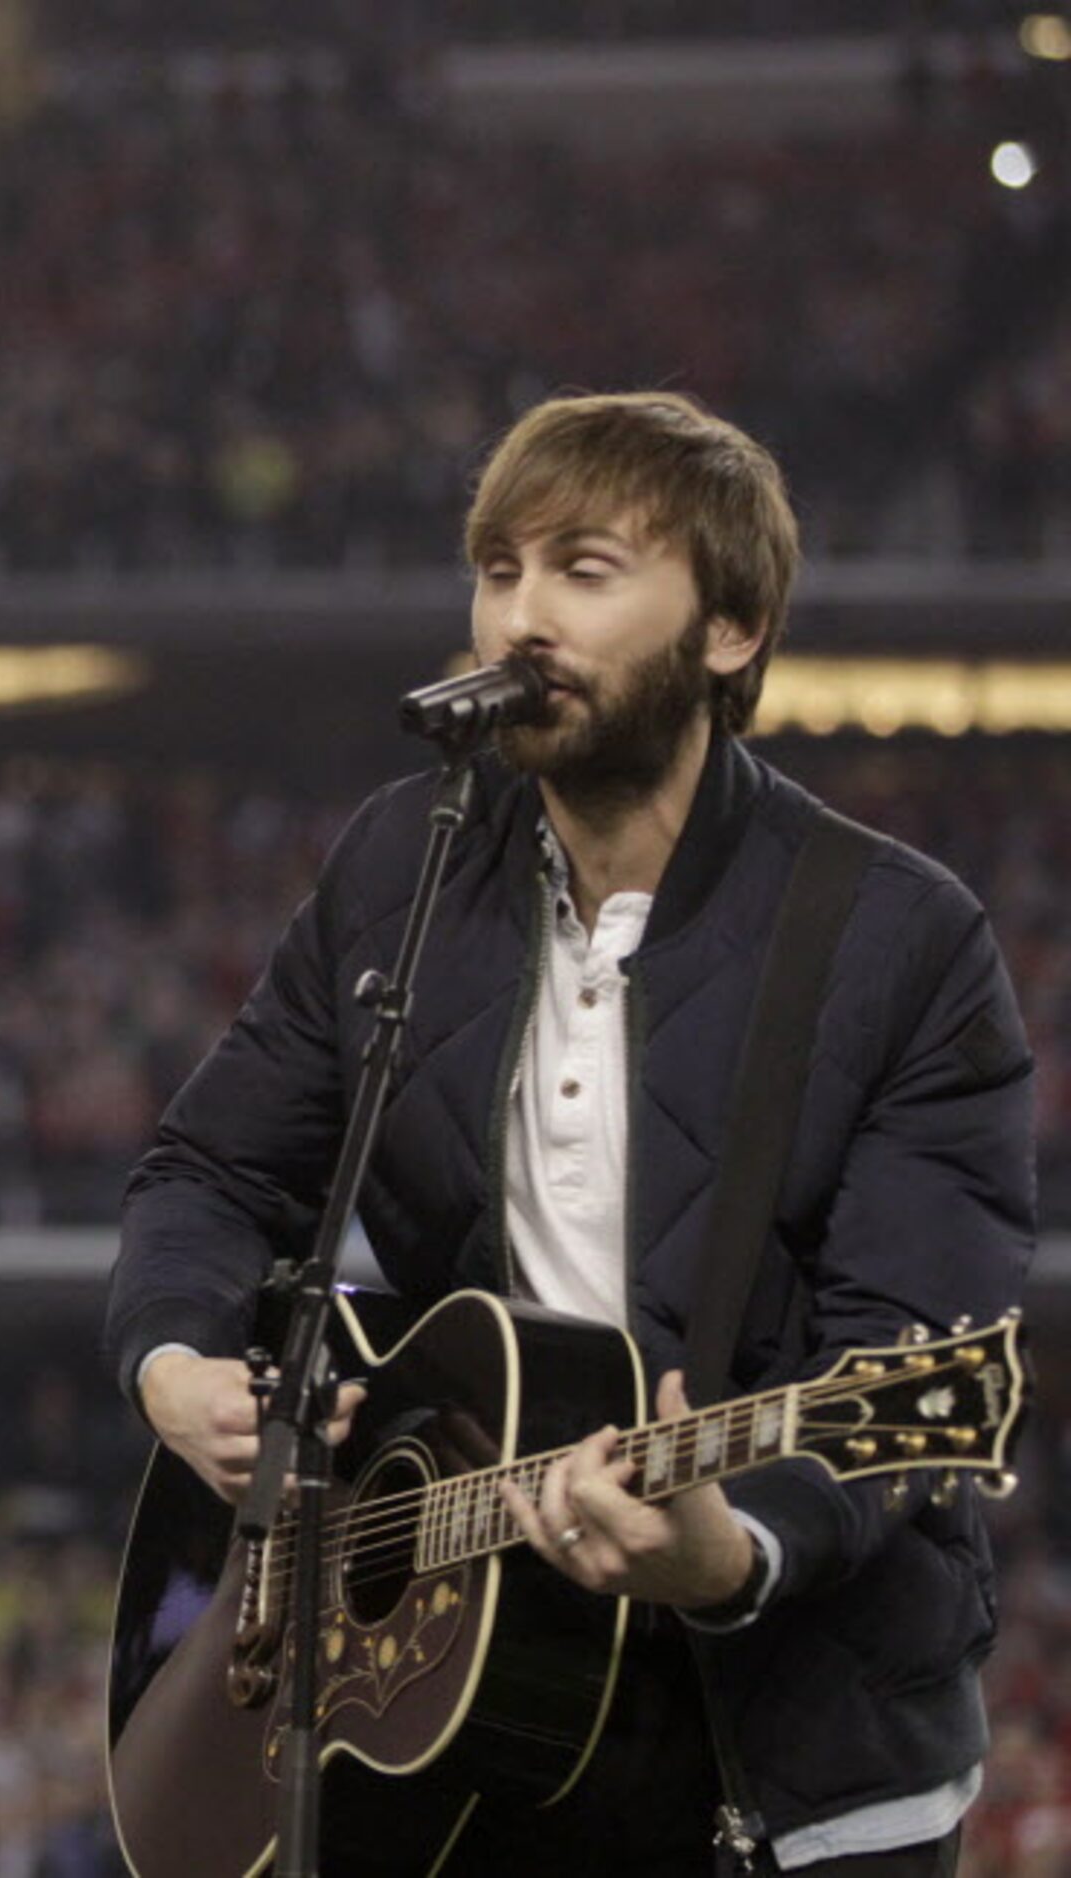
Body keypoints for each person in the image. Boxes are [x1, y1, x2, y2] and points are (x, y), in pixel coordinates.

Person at [106, 391, 1032, 1875]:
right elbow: (210, 1172)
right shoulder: (394, 867)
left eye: (582, 570)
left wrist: (731, 1549)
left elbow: (908, 1350)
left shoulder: (897, 939)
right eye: (495, 568)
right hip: (475, 1743)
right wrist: (172, 1361)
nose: (516, 618)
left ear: (726, 630)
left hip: (795, 1767)